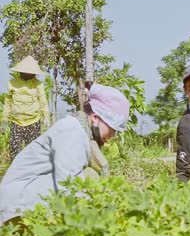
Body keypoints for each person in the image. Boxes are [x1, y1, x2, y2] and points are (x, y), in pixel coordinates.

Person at [0, 83, 130, 225]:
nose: (114, 134)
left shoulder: (80, 132)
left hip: (27, 196)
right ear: (94, 117)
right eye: (113, 127)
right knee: (87, 178)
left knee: (90, 176)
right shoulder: (71, 131)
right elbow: (68, 184)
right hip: (15, 205)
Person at [1, 55, 50, 161]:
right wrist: (4, 120)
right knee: (14, 148)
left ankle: (32, 174)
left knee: (33, 151)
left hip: (33, 122)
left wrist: (46, 117)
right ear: (21, 72)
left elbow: (43, 102)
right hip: (16, 122)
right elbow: (8, 103)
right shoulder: (12, 83)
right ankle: (15, 173)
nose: (29, 74)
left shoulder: (38, 84)